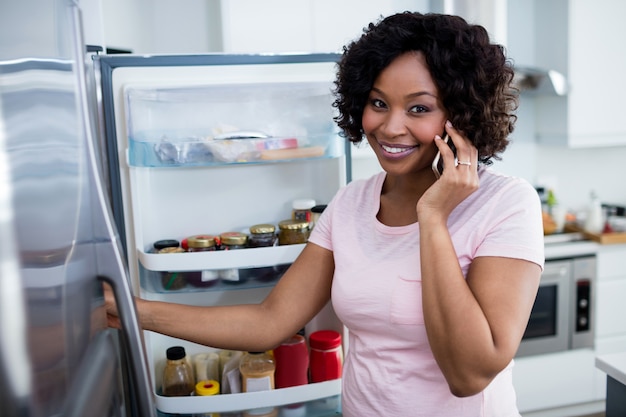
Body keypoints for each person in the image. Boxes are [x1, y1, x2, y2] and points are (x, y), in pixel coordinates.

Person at [105, 11, 544, 416]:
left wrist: (432, 218)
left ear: (462, 114)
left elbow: (470, 375)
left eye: (419, 108)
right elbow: (269, 322)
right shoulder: (351, 203)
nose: (390, 127)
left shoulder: (505, 204)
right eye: (378, 103)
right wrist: (132, 310)